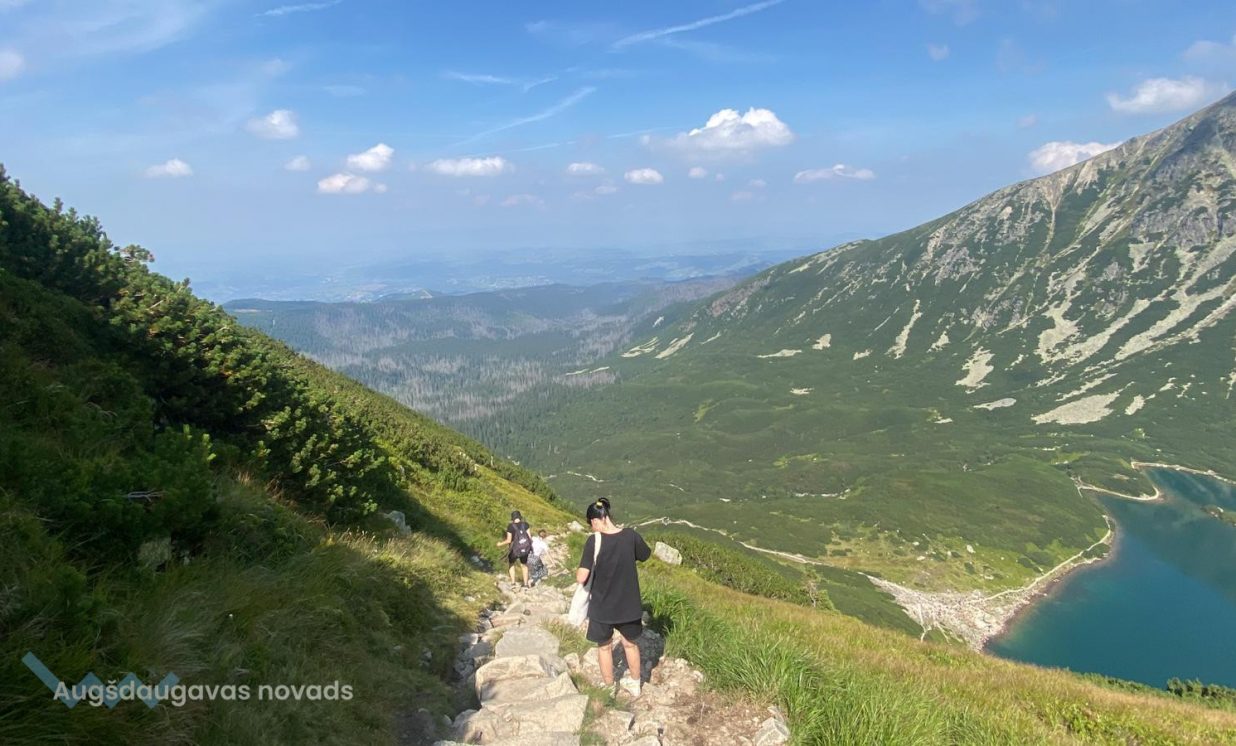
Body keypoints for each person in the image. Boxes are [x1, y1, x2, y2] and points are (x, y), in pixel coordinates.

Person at [575, 498, 651, 698]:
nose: (592, 528)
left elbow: (581, 577)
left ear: (596, 520)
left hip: (602, 606)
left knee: (604, 647)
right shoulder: (631, 536)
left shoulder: (594, 541)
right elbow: (645, 554)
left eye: (591, 523)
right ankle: (635, 683)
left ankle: (609, 687)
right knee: (630, 644)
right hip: (628, 604)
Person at [496, 510, 533, 589]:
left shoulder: (510, 526)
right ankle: (525, 585)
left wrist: (500, 544)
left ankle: (513, 583)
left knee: (511, 564)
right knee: (524, 565)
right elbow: (530, 538)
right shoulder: (526, 524)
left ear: (512, 518)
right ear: (520, 517)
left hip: (514, 550)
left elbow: (509, 540)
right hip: (525, 548)